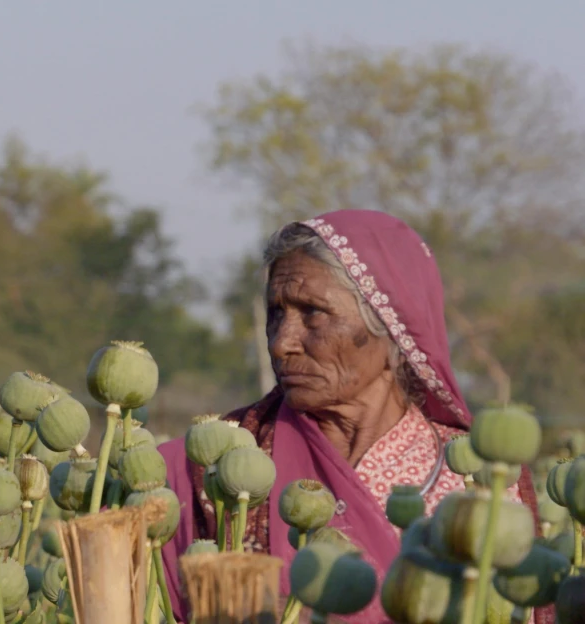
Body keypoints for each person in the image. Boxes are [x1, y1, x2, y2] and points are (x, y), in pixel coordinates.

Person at [158, 209, 547, 624]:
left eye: (313, 313)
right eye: (276, 312)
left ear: (391, 325)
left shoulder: (478, 483)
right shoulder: (215, 466)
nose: (281, 343)